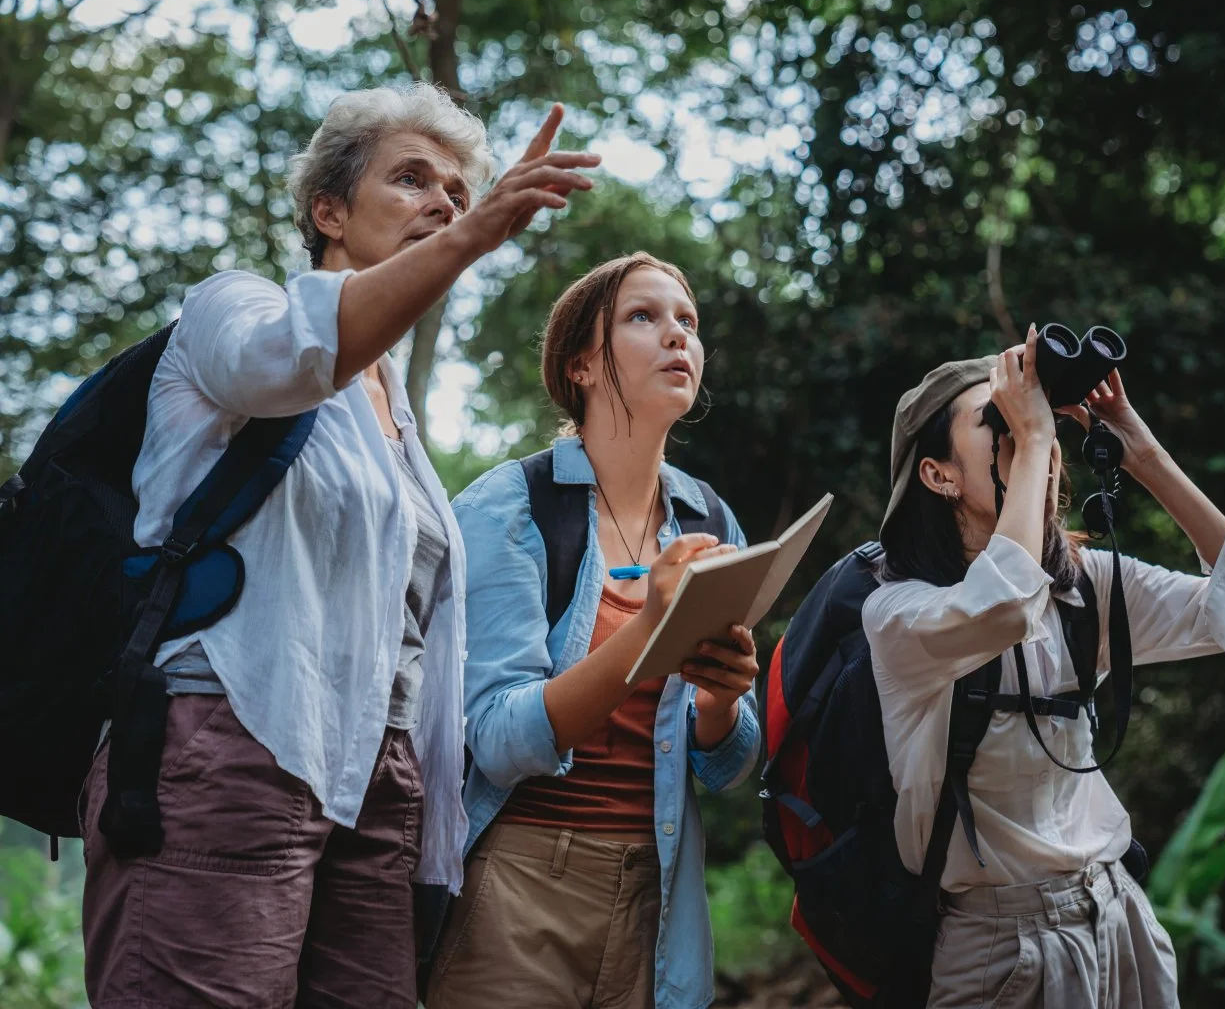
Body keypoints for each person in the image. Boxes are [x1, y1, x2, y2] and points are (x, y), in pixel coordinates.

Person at [80, 82, 600, 1008]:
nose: (444, 201)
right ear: (328, 210)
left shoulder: (396, 411)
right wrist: (475, 237)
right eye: (411, 179)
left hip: (378, 776)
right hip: (229, 741)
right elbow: (289, 358)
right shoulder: (230, 310)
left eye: (457, 190)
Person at [865, 326, 1225, 1008]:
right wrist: (1036, 438)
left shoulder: (1083, 589)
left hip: (1118, 916)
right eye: (997, 424)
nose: (1028, 433)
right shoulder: (900, 616)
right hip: (1000, 953)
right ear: (938, 474)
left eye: (1031, 421)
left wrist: (1143, 454)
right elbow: (1002, 607)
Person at [426, 252, 761, 1009]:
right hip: (518, 888)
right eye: (644, 317)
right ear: (580, 363)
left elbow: (730, 766)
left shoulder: (711, 520)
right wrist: (649, 630)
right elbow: (500, 741)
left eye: (688, 322)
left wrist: (719, 704)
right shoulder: (511, 505)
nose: (678, 335)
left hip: (659, 891)